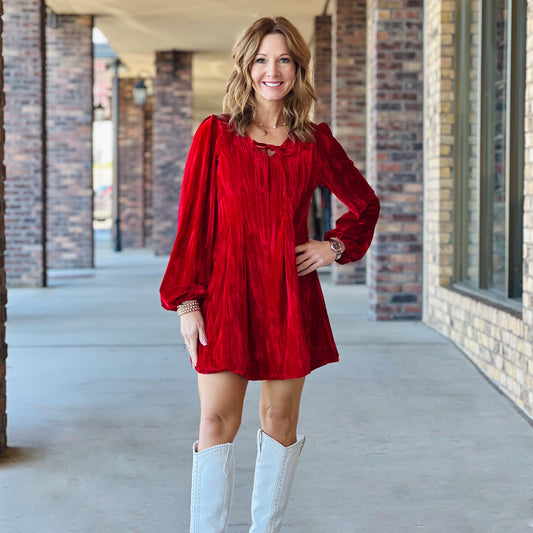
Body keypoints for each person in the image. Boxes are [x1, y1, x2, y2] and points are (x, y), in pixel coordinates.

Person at [160, 16, 380, 533]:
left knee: (279, 422)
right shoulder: (214, 137)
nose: (271, 70)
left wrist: (332, 247)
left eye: (283, 59)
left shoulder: (313, 142)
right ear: (246, 66)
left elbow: (364, 203)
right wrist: (187, 304)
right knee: (216, 421)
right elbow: (192, 225)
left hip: (287, 296)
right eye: (261, 59)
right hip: (225, 296)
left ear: (297, 68)